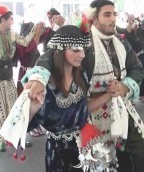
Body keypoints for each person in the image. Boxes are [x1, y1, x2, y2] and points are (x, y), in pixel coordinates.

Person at [22, 0, 144, 171]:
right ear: (94, 18)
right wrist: (38, 77)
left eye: (114, 14)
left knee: (137, 159)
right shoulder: (83, 41)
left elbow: (137, 68)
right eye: (107, 15)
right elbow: (53, 53)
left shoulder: (120, 42)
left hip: (121, 109)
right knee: (99, 163)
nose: (113, 19)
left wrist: (125, 86)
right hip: (89, 114)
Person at [28, 25, 110, 171]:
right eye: (76, 50)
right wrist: (31, 109)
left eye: (83, 49)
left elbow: (84, 109)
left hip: (84, 147)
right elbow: (23, 125)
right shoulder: (43, 84)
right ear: (60, 50)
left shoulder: (81, 76)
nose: (83, 55)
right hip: (57, 153)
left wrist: (109, 94)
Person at [0, 4, 42, 152]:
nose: (12, 22)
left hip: (8, 77)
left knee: (14, 109)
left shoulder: (12, 34)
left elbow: (24, 42)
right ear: (3, 20)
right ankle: (0, 141)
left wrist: (35, 30)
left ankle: (17, 138)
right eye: (10, 19)